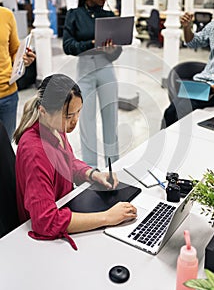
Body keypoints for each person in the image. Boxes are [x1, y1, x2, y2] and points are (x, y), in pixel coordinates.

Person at [14, 74, 137, 250]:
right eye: (69, 115)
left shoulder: (54, 127)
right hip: (43, 241)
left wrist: (92, 174)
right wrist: (107, 217)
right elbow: (45, 221)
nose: (75, 121)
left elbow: (67, 162)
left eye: (78, 112)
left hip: (64, 203)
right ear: (43, 111)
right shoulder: (35, 151)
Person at [63, 0, 121, 168]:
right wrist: (92, 43)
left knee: (111, 118)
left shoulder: (109, 16)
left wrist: (112, 49)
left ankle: (114, 166)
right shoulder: (74, 15)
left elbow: (117, 51)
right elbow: (68, 45)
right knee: (86, 121)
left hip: (106, 67)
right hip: (85, 69)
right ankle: (90, 170)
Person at [161, 0, 214, 128]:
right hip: (203, 84)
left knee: (180, 111)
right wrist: (187, 28)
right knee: (170, 112)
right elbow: (192, 42)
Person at [0, 6, 36, 140]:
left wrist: (23, 59)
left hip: (7, 95)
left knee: (5, 149)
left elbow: (14, 50)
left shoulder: (6, 15)